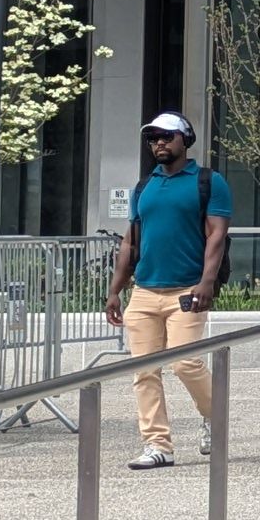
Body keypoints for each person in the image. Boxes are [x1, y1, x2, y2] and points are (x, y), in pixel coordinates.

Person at [104, 112, 230, 470]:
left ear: (184, 140)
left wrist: (207, 282)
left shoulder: (208, 181)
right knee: (144, 371)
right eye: (153, 138)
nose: (159, 142)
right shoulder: (144, 187)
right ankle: (158, 445)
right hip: (144, 291)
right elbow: (130, 240)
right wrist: (116, 290)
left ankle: (214, 416)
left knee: (185, 361)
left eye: (166, 136)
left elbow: (216, 235)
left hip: (187, 289)